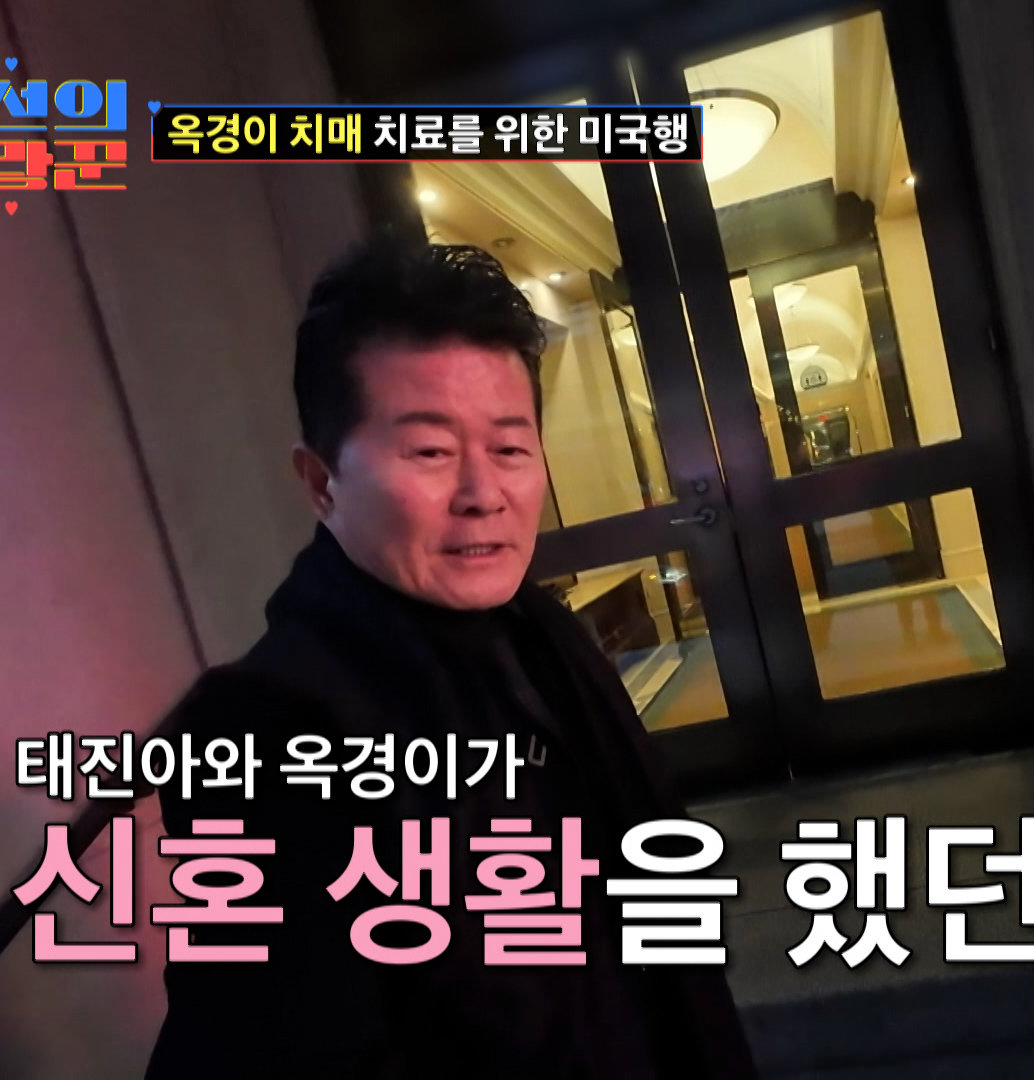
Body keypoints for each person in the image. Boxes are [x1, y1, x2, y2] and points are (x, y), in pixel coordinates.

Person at [143, 234, 757, 1079]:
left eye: (510, 448)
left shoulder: (542, 634)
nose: (483, 494)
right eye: (430, 452)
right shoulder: (270, 730)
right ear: (320, 482)